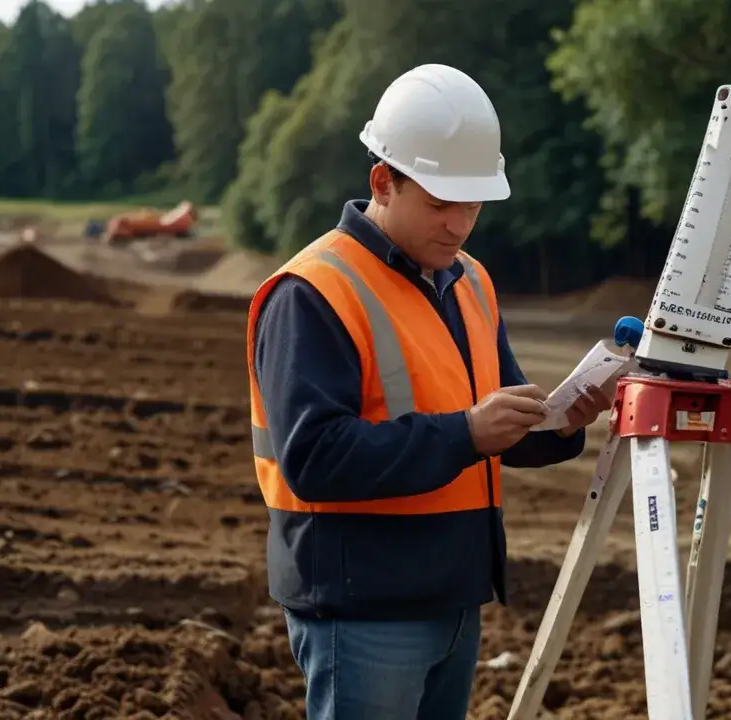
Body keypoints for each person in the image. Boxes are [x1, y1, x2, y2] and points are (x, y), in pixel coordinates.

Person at [245, 63, 615, 719]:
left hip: (452, 595)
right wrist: (467, 432)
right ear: (382, 182)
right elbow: (313, 460)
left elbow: (489, 428)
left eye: (473, 205)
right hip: (362, 608)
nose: (459, 225)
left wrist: (557, 422)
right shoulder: (312, 293)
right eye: (441, 204)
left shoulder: (469, 280)